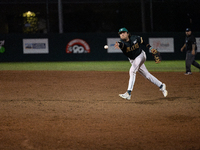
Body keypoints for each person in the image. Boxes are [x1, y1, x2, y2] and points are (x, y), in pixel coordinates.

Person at [114, 27, 168, 100]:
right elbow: (121, 44)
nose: (122, 34)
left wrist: (150, 47)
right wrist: (119, 45)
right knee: (147, 75)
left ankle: (128, 93)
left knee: (132, 71)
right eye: (120, 33)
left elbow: (143, 41)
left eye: (123, 32)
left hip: (141, 55)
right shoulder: (122, 43)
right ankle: (161, 85)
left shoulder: (135, 38)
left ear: (127, 33)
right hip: (133, 60)